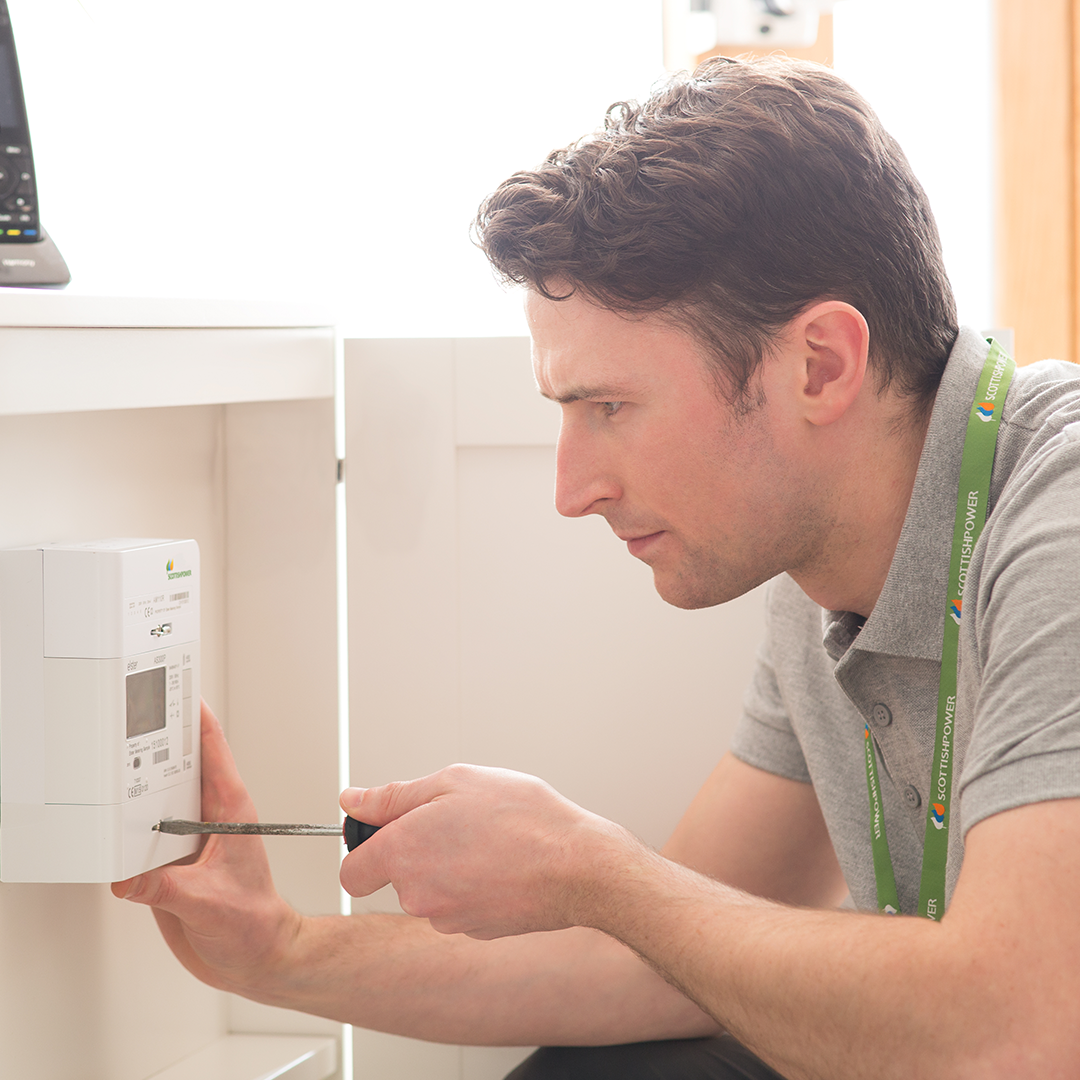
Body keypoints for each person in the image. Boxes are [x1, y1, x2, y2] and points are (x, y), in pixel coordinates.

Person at [114, 55, 1080, 1078]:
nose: (573, 491)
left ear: (821, 366)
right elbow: (670, 965)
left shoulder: (1056, 523)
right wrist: (279, 950)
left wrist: (595, 870)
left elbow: (1018, 1030)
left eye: (608, 407)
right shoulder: (826, 558)